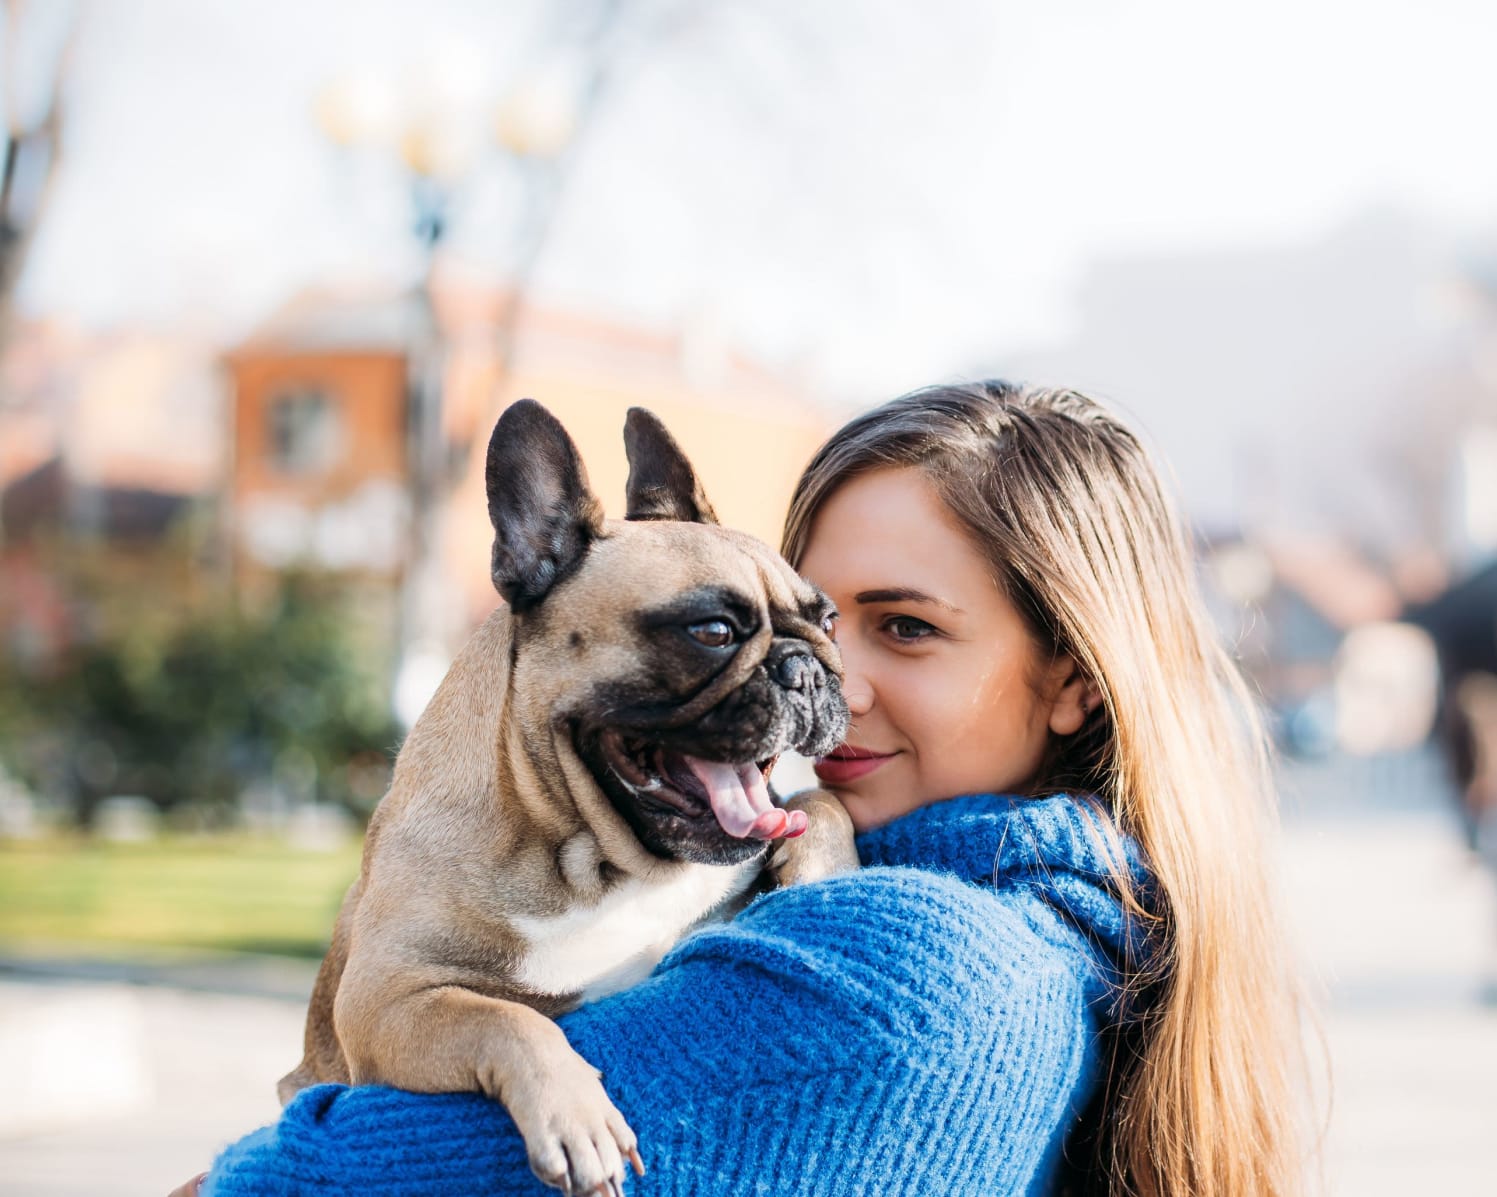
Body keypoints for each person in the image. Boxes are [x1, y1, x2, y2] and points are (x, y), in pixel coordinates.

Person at [175, 381, 1312, 1197]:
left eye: (906, 629)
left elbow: (319, 1182)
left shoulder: (913, 980)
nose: (836, 687)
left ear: (1073, 681)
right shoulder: (1058, 912)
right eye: (820, 618)